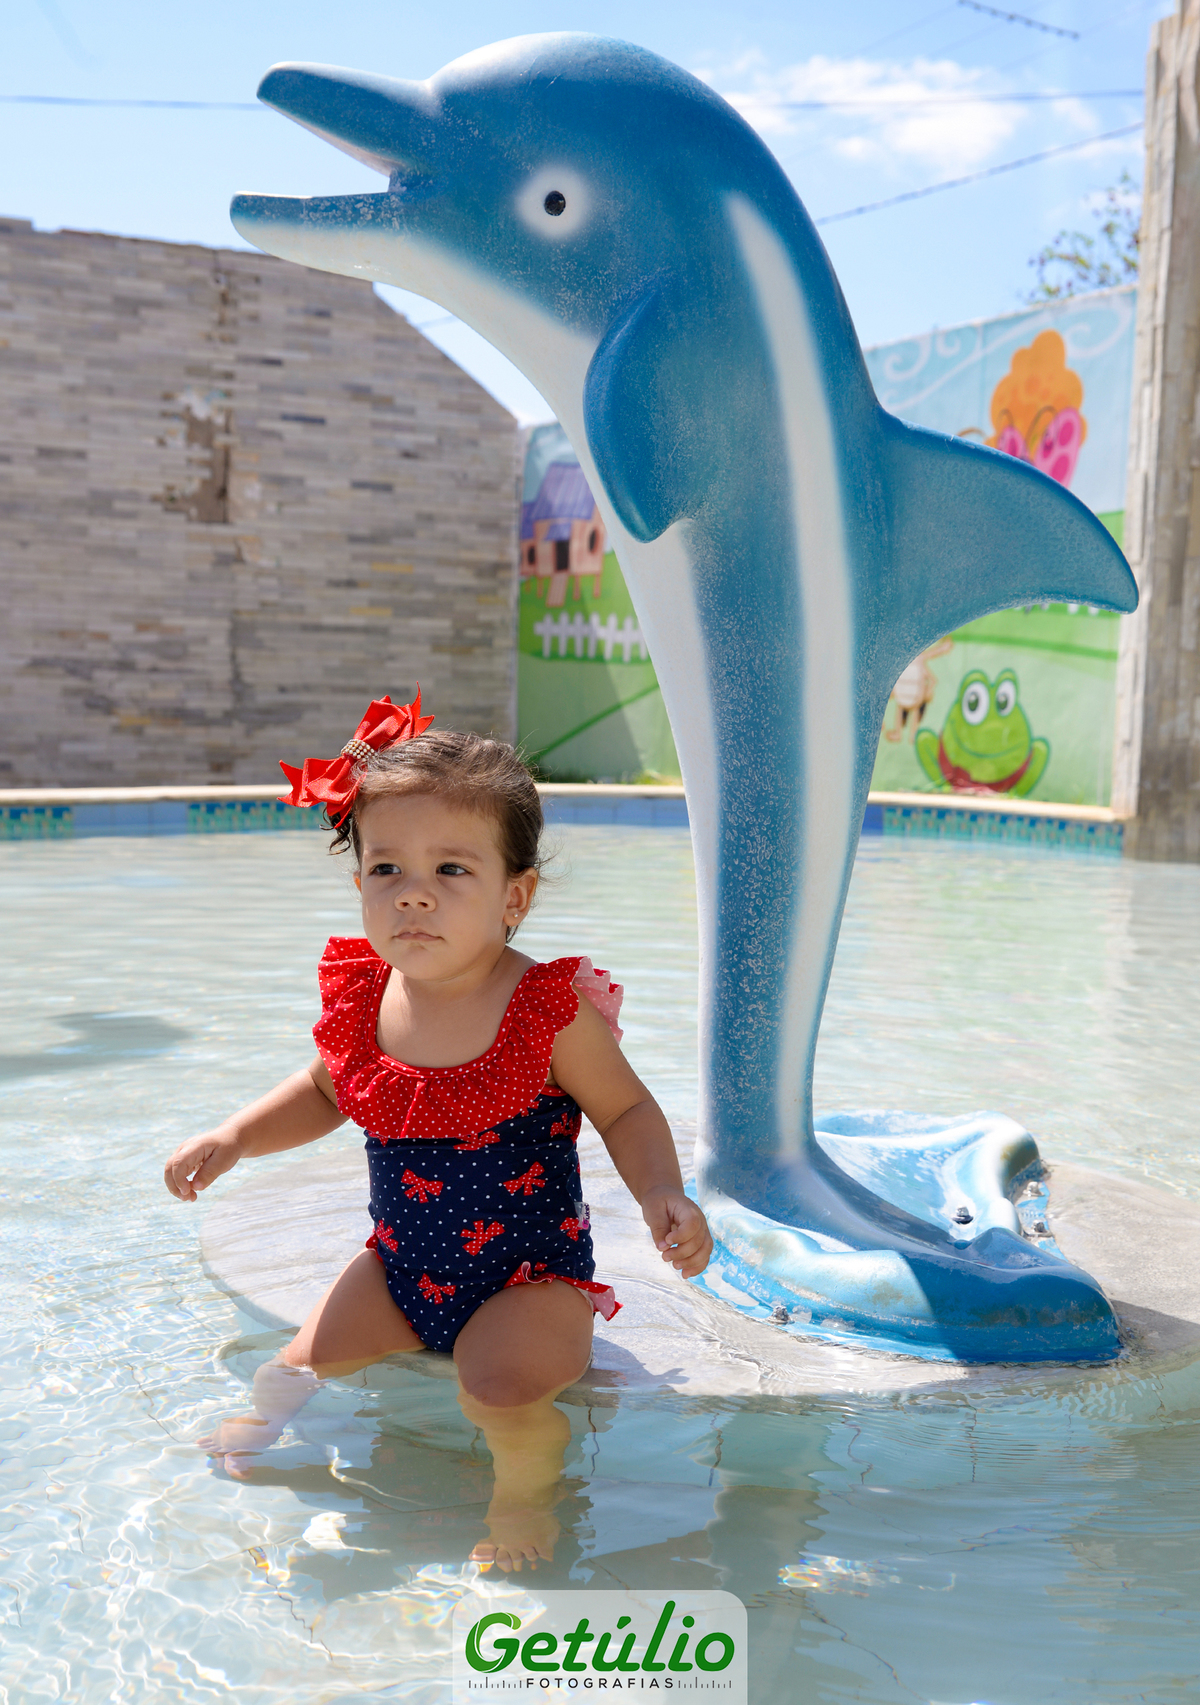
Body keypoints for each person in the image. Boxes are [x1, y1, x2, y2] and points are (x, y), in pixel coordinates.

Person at [163, 693, 713, 1573]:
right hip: (401, 1269)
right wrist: (233, 1137)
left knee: (498, 1392)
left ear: (514, 896)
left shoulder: (543, 1009)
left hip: (530, 1282)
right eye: (387, 867)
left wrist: (661, 1191)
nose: (413, 891)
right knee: (293, 1366)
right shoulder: (365, 999)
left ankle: (525, 1499)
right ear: (359, 886)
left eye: (451, 868)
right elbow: (322, 1092)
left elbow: (626, 1109)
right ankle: (259, 1430)